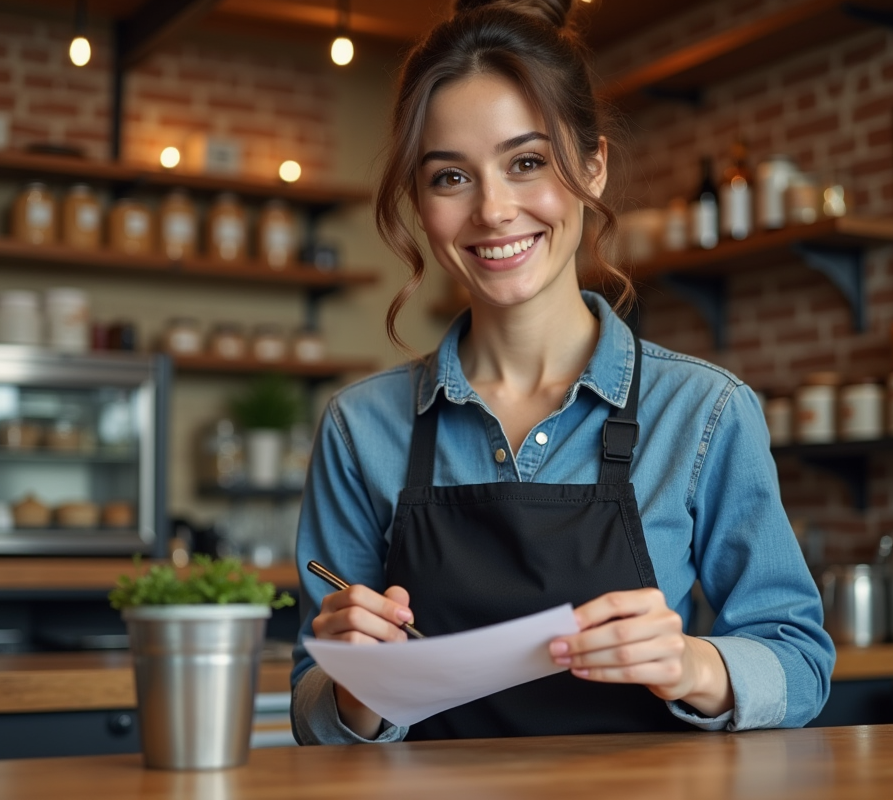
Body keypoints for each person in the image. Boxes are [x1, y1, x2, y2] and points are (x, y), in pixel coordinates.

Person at [290, 0, 834, 744]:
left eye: (527, 162)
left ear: (593, 166)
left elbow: (800, 661)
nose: (494, 210)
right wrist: (352, 692)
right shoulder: (362, 428)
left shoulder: (704, 412)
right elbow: (311, 701)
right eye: (451, 178)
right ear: (420, 202)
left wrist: (693, 665)